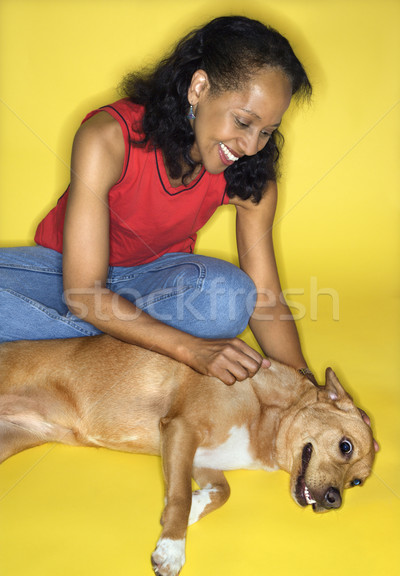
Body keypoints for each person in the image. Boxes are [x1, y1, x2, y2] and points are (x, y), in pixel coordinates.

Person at [0, 15, 315, 386]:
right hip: (64, 275)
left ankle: (64, 350)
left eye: (267, 132)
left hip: (156, 283)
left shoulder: (251, 177)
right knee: (83, 306)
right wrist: (191, 349)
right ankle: (111, 352)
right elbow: (84, 294)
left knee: (230, 297)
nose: (250, 147)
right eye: (243, 122)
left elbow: (265, 298)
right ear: (199, 88)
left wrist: (309, 391)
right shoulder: (106, 138)